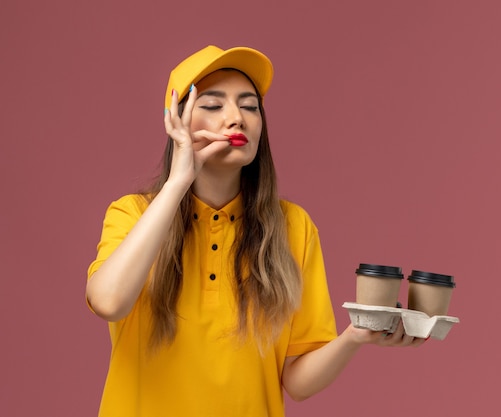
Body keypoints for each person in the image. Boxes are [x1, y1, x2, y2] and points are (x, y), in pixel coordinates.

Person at [86, 44, 426, 417]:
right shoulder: (133, 213)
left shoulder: (294, 227)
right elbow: (108, 302)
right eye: (213, 105)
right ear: (176, 121)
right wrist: (178, 183)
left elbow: (297, 381)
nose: (236, 118)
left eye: (250, 106)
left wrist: (356, 336)